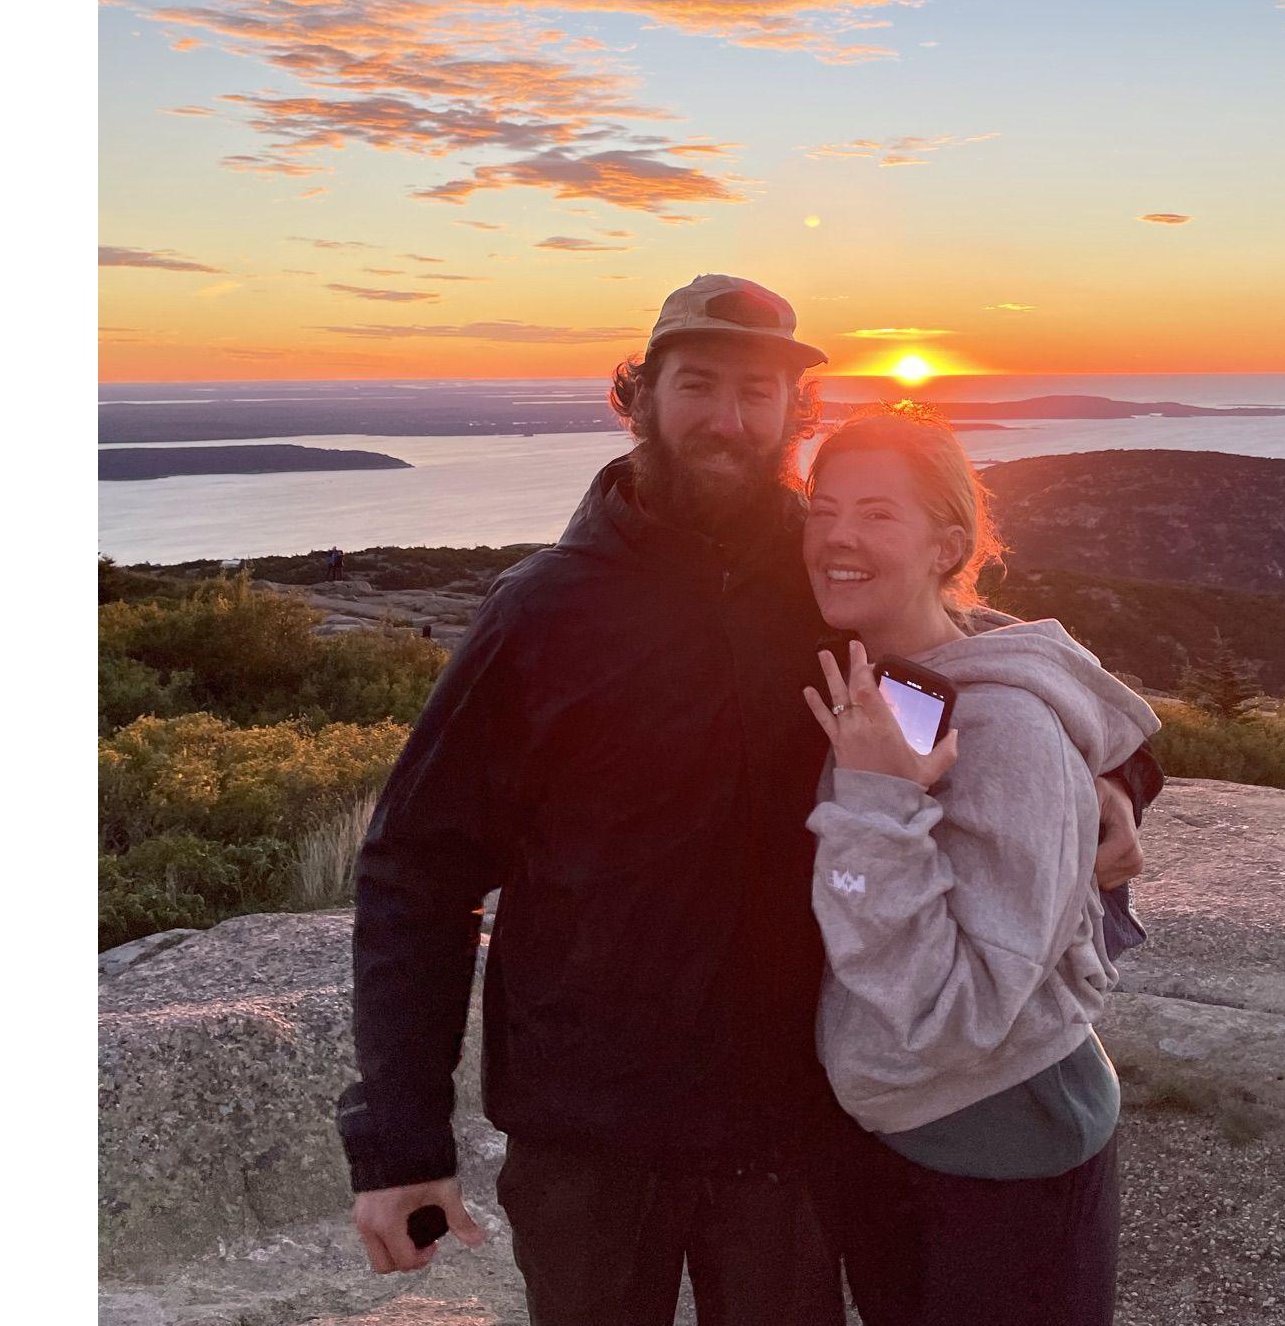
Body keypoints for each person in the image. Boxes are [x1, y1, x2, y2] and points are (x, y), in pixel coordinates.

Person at [336, 273, 1160, 1325]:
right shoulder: (540, 614)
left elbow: (1000, 676)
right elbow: (419, 865)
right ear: (638, 397)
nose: (728, 418)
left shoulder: (827, 578)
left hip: (787, 1123)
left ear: (791, 414)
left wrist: (1113, 777)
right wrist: (400, 1138)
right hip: (586, 1130)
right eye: (698, 384)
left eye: (759, 392)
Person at [800, 408, 1162, 1326]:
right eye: (822, 508)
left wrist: (876, 809)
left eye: (879, 513)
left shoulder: (1004, 731)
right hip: (912, 1133)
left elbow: (949, 1012)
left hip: (1001, 1146)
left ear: (946, 544)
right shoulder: (889, 677)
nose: (839, 535)